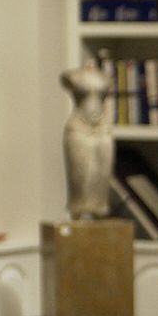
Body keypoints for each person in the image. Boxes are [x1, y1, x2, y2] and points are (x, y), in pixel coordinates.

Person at [60, 61, 113, 219]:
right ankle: (78, 210)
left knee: (102, 172)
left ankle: (99, 209)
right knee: (80, 173)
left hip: (101, 126)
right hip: (79, 125)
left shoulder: (105, 78)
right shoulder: (73, 76)